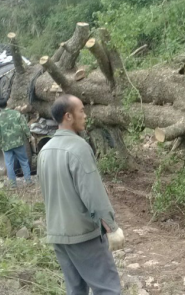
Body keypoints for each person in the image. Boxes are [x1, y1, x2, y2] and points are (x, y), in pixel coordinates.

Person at [39, 94, 125, 295]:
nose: (85, 115)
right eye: (82, 111)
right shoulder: (78, 147)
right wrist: (111, 227)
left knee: (76, 290)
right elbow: (93, 194)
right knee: (108, 288)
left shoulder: (45, 150)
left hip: (58, 235)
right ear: (68, 116)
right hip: (83, 235)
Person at [0, 101, 32, 188]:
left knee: (9, 164)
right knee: (24, 161)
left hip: (6, 145)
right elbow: (24, 126)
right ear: (7, 104)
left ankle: (13, 185)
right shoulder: (16, 114)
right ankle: (28, 181)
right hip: (19, 143)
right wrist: (29, 136)